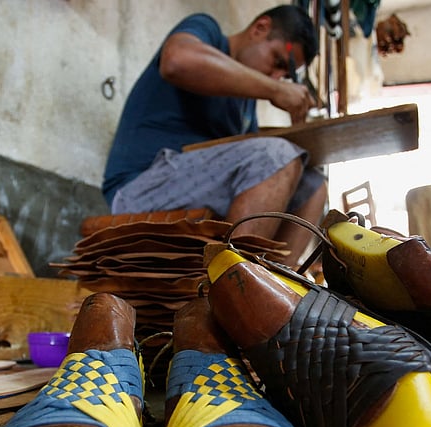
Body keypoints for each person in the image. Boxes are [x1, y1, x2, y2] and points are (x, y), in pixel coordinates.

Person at [101, 5, 327, 267]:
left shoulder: (245, 106)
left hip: (189, 186)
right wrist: (275, 90)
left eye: (284, 76)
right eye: (277, 61)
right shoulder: (207, 30)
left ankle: (273, 286)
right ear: (260, 28)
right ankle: (232, 288)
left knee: (314, 184)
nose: (277, 76)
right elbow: (177, 60)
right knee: (277, 155)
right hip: (137, 186)